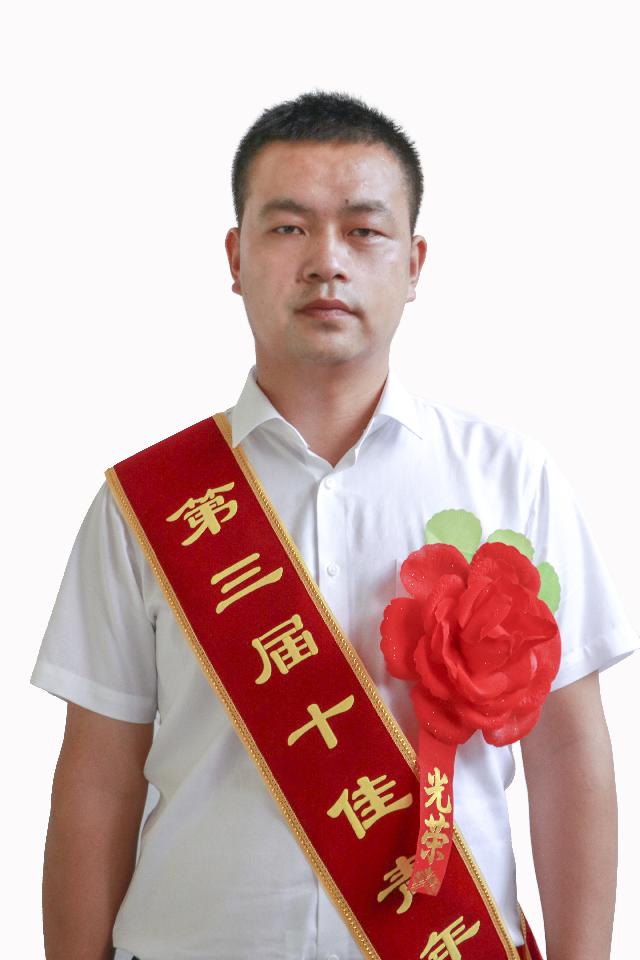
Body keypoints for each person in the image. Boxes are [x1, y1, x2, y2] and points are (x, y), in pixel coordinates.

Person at [32, 90, 638, 960]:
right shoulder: (146, 503)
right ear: (236, 257)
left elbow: (568, 758)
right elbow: (97, 780)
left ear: (414, 263)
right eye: (289, 228)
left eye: (363, 230)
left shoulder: (512, 481)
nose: (326, 261)